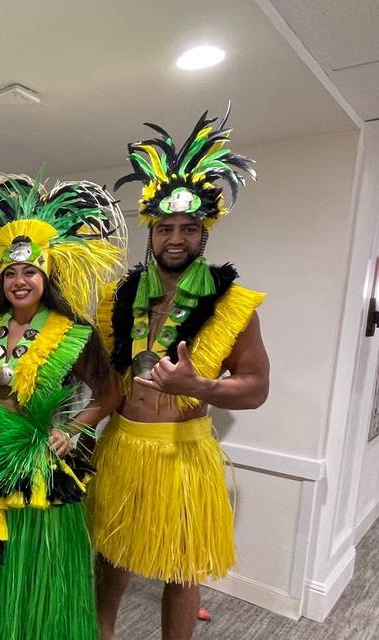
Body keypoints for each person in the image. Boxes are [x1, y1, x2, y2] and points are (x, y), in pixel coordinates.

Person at [88, 106, 270, 640]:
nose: (175, 238)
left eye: (188, 228)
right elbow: (107, 381)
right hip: (122, 447)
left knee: (182, 569)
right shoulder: (119, 299)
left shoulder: (233, 305)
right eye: (165, 226)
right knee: (111, 562)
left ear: (204, 232)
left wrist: (199, 386)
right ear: (150, 230)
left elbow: (257, 388)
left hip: (185, 453)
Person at [0, 175, 125, 640]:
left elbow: (111, 395)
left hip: (37, 470)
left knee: (29, 579)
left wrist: (72, 428)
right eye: (10, 273)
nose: (19, 280)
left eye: (30, 271)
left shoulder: (75, 333)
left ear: (46, 276)